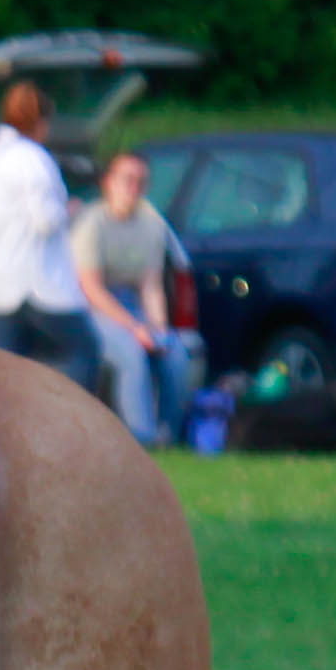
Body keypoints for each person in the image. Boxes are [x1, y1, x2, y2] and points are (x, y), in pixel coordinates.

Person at [0, 79, 108, 396]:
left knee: (8, 369)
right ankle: (71, 416)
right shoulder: (33, 158)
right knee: (84, 350)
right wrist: (70, 210)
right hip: (36, 283)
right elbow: (45, 220)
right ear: (40, 121)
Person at [71, 147, 190, 447]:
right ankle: (142, 438)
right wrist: (135, 328)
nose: (134, 188)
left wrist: (157, 327)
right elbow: (91, 288)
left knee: (175, 352)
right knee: (131, 352)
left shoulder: (152, 225)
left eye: (141, 181)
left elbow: (150, 285)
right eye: (127, 179)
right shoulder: (91, 223)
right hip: (93, 309)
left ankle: (170, 436)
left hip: (131, 305)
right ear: (108, 183)